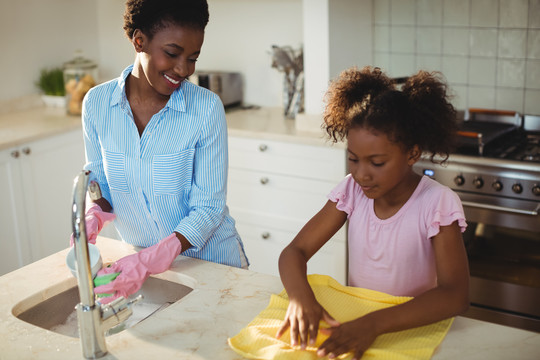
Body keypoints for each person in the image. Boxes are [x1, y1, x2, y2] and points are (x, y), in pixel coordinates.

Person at [276, 66, 470, 359]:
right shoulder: (351, 191)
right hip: (360, 325)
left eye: (377, 163)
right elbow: (294, 252)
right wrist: (301, 298)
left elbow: (455, 295)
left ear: (412, 154)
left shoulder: (437, 204)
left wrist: (374, 324)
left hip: (411, 331)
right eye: (353, 159)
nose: (361, 174)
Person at [75, 0, 248, 304]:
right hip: (141, 270)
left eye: (193, 58)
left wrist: (153, 259)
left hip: (211, 264)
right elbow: (98, 174)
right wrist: (95, 213)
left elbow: (209, 208)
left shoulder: (205, 109)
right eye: (172, 53)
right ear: (139, 40)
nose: (183, 69)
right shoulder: (96, 104)